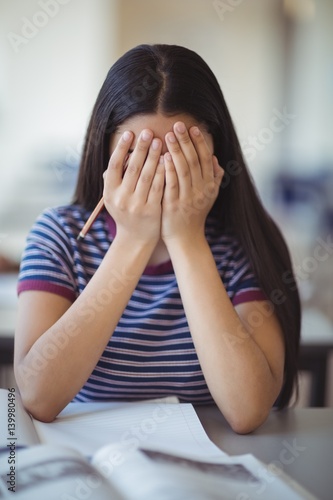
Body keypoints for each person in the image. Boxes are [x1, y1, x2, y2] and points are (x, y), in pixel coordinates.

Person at [14, 44, 300, 434]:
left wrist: (187, 240)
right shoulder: (59, 235)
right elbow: (36, 397)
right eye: (139, 153)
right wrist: (133, 240)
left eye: (180, 154)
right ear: (106, 152)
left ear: (215, 151)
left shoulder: (244, 242)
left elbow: (248, 410)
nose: (159, 173)